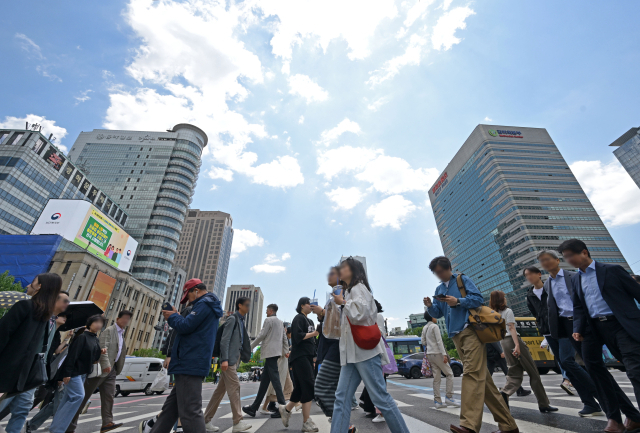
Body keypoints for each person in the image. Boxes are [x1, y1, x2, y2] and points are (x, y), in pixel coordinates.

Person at [425, 256, 518, 433]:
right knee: (484, 381)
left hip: (470, 330)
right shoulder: (438, 288)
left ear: (448, 268)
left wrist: (458, 301)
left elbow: (477, 300)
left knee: (471, 373)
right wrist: (430, 306)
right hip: (455, 335)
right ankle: (509, 426)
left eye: (440, 271)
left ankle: (469, 425)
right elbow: (439, 313)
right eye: (436, 273)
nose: (439, 275)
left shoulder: (461, 280)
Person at [560, 239, 640, 433]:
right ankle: (615, 418)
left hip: (621, 325)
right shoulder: (575, 279)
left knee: (635, 370)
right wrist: (577, 327)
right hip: (593, 328)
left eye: (571, 255)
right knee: (593, 368)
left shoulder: (612, 270)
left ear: (585, 253)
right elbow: (579, 306)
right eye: (565, 258)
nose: (569, 260)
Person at [329, 257, 409, 433]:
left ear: (353, 271)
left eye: (344, 267)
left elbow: (363, 313)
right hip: (351, 354)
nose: (340, 270)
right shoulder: (348, 292)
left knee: (380, 398)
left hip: (365, 351)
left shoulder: (359, 288)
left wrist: (342, 302)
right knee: (341, 398)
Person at [140, 279, 223, 433]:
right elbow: (191, 326)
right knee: (171, 409)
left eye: (189, 296)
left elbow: (185, 326)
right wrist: (177, 316)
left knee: (191, 411)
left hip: (189, 360)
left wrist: (172, 317)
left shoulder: (203, 304)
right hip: (192, 359)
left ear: (196, 290)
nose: (188, 302)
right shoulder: (208, 305)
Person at [533, 253, 607, 418]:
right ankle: (590, 403)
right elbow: (546, 311)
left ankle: (601, 395)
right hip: (560, 327)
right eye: (541, 261)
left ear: (558, 260)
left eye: (547, 259)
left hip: (579, 322)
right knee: (567, 365)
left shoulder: (573, 277)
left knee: (577, 362)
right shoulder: (546, 286)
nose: (544, 263)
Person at [0, 273, 63, 433]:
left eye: (33, 282)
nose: (28, 285)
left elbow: (2, 335)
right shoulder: (44, 315)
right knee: (21, 409)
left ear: (40, 286)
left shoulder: (25, 307)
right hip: (26, 372)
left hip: (8, 369)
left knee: (19, 408)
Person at [65, 310, 132, 433]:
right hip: (101, 369)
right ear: (118, 319)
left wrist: (115, 367)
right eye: (125, 318)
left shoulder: (121, 333)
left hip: (112, 370)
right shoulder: (109, 331)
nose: (126, 321)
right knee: (83, 397)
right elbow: (103, 347)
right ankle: (69, 427)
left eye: (128, 319)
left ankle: (107, 423)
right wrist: (106, 364)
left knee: (109, 396)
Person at [489, 290, 556, 412]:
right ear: (501, 299)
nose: (505, 299)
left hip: (503, 342)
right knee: (533, 372)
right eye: (504, 297)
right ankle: (544, 404)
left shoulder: (492, 314)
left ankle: (505, 393)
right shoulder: (507, 311)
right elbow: (511, 328)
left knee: (514, 371)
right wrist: (517, 346)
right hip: (513, 340)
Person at [50, 315, 105, 433]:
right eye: (96, 322)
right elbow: (72, 356)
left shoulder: (95, 339)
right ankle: (59, 429)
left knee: (66, 400)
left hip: (83, 374)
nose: (98, 325)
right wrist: (67, 373)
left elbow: (94, 359)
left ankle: (56, 428)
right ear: (90, 323)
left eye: (101, 323)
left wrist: (100, 352)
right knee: (78, 397)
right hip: (74, 373)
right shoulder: (82, 337)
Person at [204, 297, 251, 433]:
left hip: (235, 359)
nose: (248, 307)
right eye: (246, 305)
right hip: (229, 360)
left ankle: (205, 420)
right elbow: (224, 340)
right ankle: (238, 422)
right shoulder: (233, 319)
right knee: (235, 387)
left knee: (219, 392)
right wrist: (224, 359)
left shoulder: (241, 320)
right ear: (239, 305)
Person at [279, 297, 319, 432]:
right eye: (309, 303)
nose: (311, 306)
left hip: (307, 356)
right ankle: (306, 421)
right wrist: (315, 333)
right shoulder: (298, 318)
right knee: (308, 385)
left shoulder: (311, 320)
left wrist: (314, 357)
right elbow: (298, 336)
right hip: (299, 356)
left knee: (301, 388)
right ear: (302, 305)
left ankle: (286, 409)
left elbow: (312, 340)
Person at [243, 303, 289, 418]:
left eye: (267, 310)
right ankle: (254, 408)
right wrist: (286, 350)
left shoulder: (268, 320)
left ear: (271, 311)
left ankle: (283, 406)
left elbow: (261, 335)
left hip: (269, 352)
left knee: (275, 379)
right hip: (276, 352)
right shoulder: (280, 322)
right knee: (264, 382)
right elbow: (284, 338)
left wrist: (250, 347)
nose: (266, 312)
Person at [421, 310, 459, 410]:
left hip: (430, 354)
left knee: (436, 377)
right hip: (438, 353)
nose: (436, 318)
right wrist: (444, 354)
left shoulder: (425, 328)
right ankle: (449, 397)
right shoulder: (434, 326)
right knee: (449, 373)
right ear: (432, 316)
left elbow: (423, 341)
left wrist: (429, 346)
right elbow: (439, 341)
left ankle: (438, 401)